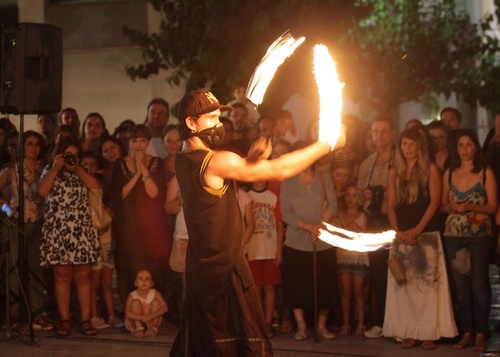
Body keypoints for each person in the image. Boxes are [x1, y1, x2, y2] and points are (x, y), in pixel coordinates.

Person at [170, 90, 345, 356]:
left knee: (205, 346)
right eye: (212, 118)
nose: (218, 124)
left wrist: (250, 162)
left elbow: (225, 175)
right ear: (191, 123)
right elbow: (279, 170)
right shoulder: (217, 161)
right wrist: (326, 144)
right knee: (239, 347)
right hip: (225, 271)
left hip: (201, 268)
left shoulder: (182, 158)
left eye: (219, 117)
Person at [383, 128, 457, 350]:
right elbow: (390, 204)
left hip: (425, 234)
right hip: (402, 234)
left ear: (419, 146)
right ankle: (409, 332)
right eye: (404, 144)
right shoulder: (394, 171)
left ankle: (428, 334)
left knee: (426, 288)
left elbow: (434, 202)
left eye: (412, 144)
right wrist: (397, 229)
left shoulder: (431, 169)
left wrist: (418, 229)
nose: (408, 148)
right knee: (405, 286)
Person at [440, 128, 498, 352]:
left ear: (475, 147)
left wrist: (472, 206)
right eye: (461, 145)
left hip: (479, 237)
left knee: (479, 284)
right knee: (461, 287)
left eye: (469, 145)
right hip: (453, 236)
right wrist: (452, 207)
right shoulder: (450, 173)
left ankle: (481, 333)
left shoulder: (485, 172)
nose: (464, 149)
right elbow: (442, 205)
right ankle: (466, 332)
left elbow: (493, 207)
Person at [38, 136, 101, 337]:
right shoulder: (50, 170)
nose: (71, 159)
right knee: (62, 275)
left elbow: (96, 187)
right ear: (59, 154)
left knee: (84, 276)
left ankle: (85, 319)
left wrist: (78, 169)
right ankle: (64, 319)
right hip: (58, 230)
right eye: (67, 155)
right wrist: (57, 167)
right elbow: (42, 191)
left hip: (81, 229)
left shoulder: (83, 170)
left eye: (74, 155)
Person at [111, 124, 170, 314]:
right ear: (129, 142)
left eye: (142, 141)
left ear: (148, 142)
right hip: (127, 226)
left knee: (153, 269)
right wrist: (136, 174)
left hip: (151, 226)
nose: (138, 145)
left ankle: (152, 313)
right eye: (134, 141)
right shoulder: (120, 164)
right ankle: (131, 315)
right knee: (127, 270)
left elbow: (154, 194)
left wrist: (143, 169)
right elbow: (119, 196)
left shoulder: (157, 163)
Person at [0, 131, 53, 330]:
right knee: (14, 268)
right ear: (23, 146)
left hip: (38, 222)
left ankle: (37, 313)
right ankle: (14, 316)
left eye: (37, 144)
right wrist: (6, 209)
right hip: (15, 222)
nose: (33, 148)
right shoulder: (13, 169)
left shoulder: (44, 168)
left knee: (35, 269)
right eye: (29, 143)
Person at [280, 160, 337, 341]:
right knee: (297, 285)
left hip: (323, 240)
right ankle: (302, 325)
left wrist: (319, 226)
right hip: (296, 242)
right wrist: (308, 227)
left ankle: (321, 325)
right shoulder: (288, 182)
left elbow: (332, 205)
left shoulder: (323, 178)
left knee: (325, 283)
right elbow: (286, 213)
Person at [356, 115, 395, 339]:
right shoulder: (366, 164)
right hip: (373, 221)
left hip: (394, 220)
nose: (379, 136)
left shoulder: (400, 160)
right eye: (375, 132)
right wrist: (365, 195)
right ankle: (380, 321)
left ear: (392, 134)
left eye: (383, 132)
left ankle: (400, 322)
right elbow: (360, 198)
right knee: (379, 274)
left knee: (401, 271)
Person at [246, 180, 284, 338]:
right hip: (252, 250)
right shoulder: (247, 197)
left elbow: (279, 224)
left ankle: (268, 322)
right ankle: (256, 322)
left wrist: (279, 248)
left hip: (270, 249)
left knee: (270, 287)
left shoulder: (273, 197)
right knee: (255, 289)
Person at [333, 183, 369, 337]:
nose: (350, 199)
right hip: (343, 257)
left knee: (359, 292)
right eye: (348, 195)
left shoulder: (363, 216)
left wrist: (357, 229)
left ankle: (360, 324)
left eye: (354, 196)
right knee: (346, 292)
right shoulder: (339, 216)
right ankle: (346, 323)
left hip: (359, 257)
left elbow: (368, 235)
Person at [125, 269, 168, 338]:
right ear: (135, 283)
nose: (144, 281)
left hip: (151, 321)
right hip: (138, 320)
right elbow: (128, 313)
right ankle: (139, 328)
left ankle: (153, 328)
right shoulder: (132, 295)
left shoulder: (155, 293)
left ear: (152, 283)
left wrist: (150, 316)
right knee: (135, 302)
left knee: (156, 302)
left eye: (147, 279)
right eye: (140, 278)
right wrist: (143, 318)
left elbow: (165, 308)